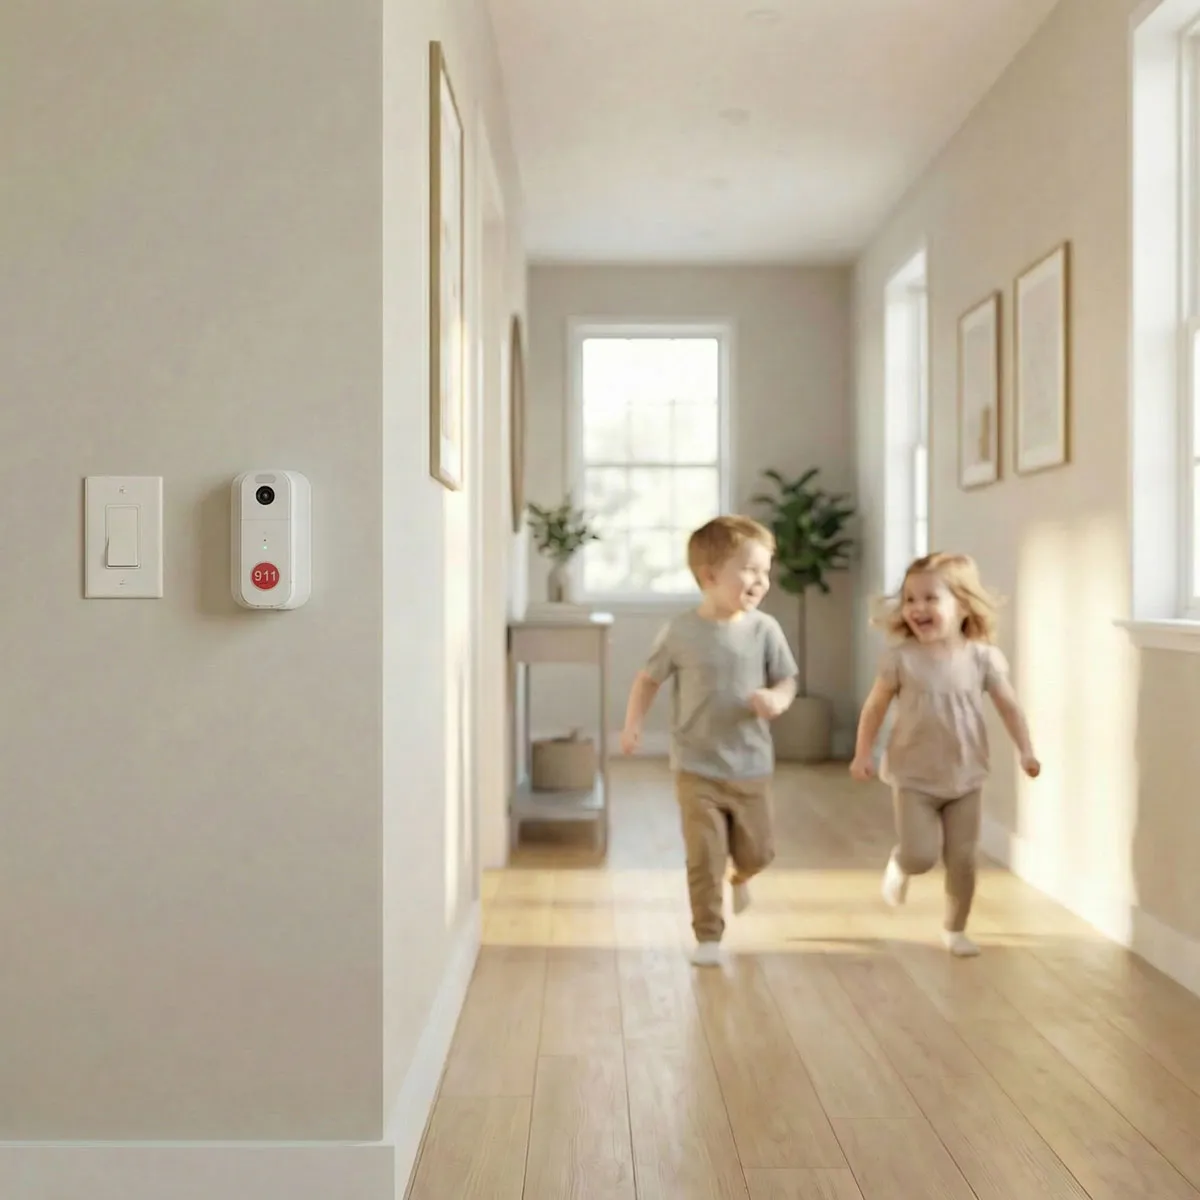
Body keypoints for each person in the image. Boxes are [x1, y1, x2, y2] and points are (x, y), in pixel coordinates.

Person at [620, 515, 798, 966]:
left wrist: (777, 699)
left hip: (751, 766)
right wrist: (633, 723)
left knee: (759, 851)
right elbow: (647, 679)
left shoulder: (765, 630)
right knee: (704, 857)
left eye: (765, 570)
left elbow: (787, 680)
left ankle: (743, 877)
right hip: (695, 766)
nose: (762, 580)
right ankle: (708, 936)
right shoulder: (680, 631)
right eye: (750, 569)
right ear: (710, 575)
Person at [849, 551, 1040, 957]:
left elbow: (1010, 706)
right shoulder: (901, 659)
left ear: (963, 604)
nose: (917, 608)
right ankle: (901, 865)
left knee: (963, 859)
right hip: (914, 775)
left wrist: (1026, 750)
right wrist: (862, 753)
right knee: (921, 855)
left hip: (966, 775)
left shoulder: (982, 657)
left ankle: (955, 929)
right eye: (910, 599)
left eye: (930, 598)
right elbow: (874, 708)